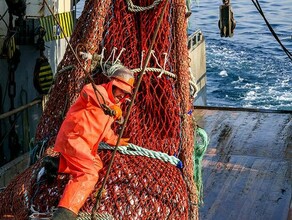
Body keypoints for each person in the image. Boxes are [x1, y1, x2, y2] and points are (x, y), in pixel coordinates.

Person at [52, 65, 134, 219]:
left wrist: (114, 139)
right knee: (88, 174)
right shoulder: (96, 90)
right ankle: (64, 214)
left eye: (126, 92)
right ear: (112, 84)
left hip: (86, 146)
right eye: (119, 89)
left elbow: (103, 128)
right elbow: (88, 92)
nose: (122, 94)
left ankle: (55, 165)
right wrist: (110, 107)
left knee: (97, 165)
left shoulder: (116, 104)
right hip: (73, 140)